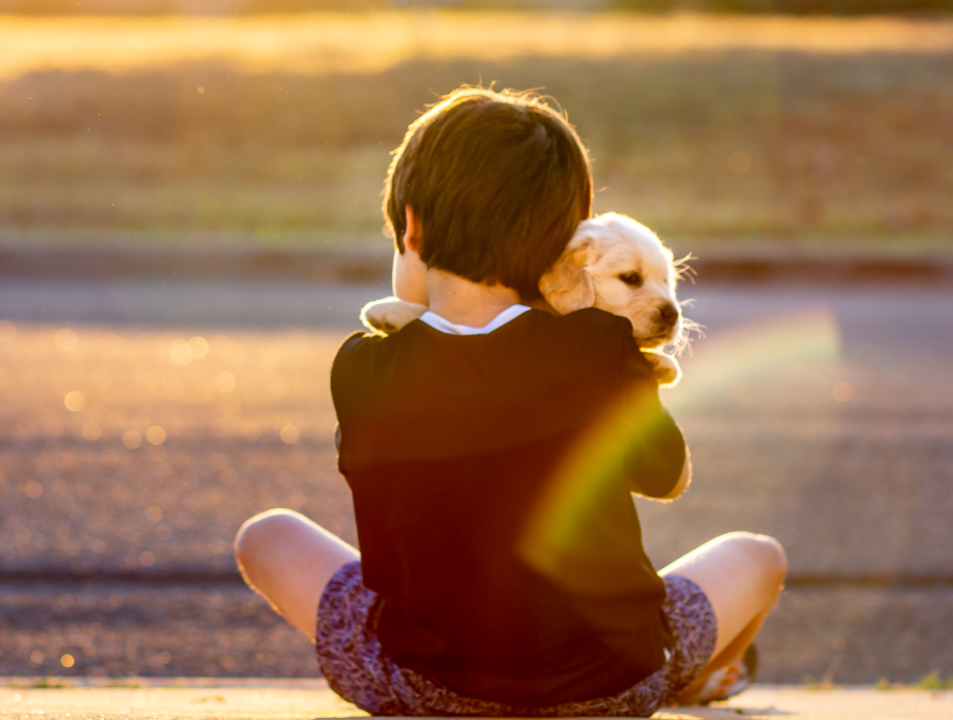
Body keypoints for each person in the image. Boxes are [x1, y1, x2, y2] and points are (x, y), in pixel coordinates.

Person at [234, 87, 786, 716]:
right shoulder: (600, 352)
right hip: (612, 686)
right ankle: (696, 679)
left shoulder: (361, 367)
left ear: (410, 226)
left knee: (266, 536)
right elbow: (667, 477)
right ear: (563, 243)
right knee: (758, 556)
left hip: (428, 684)